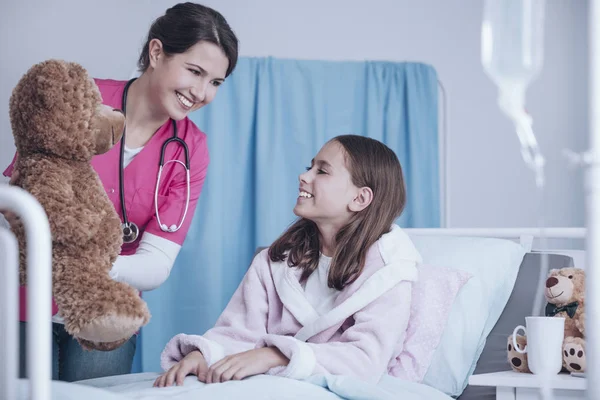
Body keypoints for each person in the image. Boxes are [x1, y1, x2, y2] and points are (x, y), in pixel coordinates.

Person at [3, 2, 238, 382]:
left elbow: (156, 264)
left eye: (215, 83)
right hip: (27, 299)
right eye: (195, 72)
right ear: (157, 52)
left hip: (107, 318)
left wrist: (83, 268)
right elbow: (19, 197)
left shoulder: (190, 149)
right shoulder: (82, 99)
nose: (201, 93)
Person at [154, 134, 423, 387]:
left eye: (322, 171)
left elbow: (365, 360)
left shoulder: (388, 272)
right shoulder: (275, 262)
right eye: (310, 167)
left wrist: (277, 356)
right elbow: (239, 333)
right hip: (270, 386)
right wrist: (206, 356)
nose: (303, 176)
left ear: (359, 198)